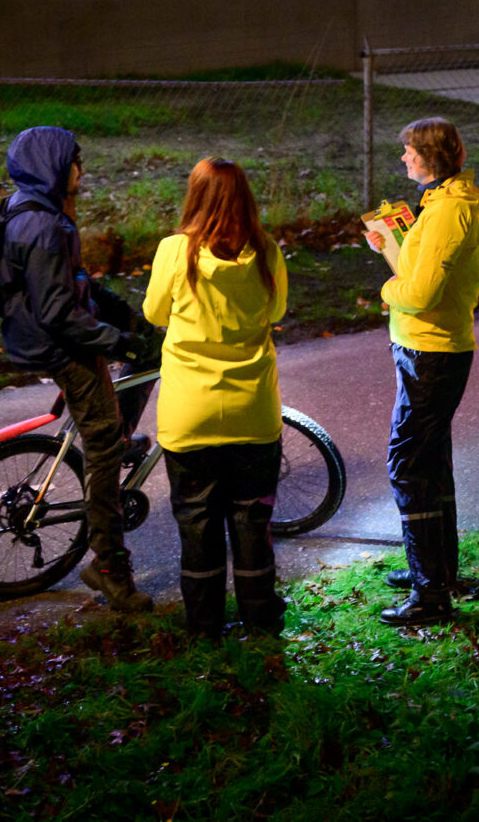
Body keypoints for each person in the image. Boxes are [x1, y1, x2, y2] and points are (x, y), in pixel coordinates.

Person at [0, 126, 157, 613]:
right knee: (103, 450)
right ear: (53, 165)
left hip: (53, 333)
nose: (81, 171)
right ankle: (109, 568)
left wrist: (132, 322)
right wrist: (117, 341)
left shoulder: (36, 209)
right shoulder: (44, 227)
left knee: (147, 353)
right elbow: (60, 315)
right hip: (58, 345)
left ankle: (117, 436)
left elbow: (77, 284)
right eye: (75, 162)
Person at [143, 158, 290, 638]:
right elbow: (279, 309)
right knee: (252, 519)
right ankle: (260, 619)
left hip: (190, 413)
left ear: (195, 197)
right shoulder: (267, 251)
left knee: (197, 521)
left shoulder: (174, 251)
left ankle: (204, 627)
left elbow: (153, 312)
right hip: (253, 409)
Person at [363, 117, 479, 627]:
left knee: (408, 464)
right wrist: (394, 248)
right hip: (428, 347)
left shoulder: (447, 213)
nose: (404, 158)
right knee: (431, 460)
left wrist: (387, 290)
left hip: (431, 352)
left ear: (432, 157)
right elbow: (423, 270)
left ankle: (430, 593)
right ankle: (437, 570)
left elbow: (417, 293)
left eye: (411, 150)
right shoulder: (439, 204)